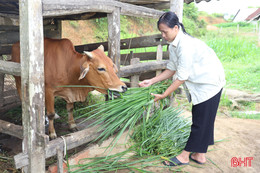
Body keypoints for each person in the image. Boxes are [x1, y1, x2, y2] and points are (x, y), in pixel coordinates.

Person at [139, 11, 226, 166]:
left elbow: (181, 77)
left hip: (210, 83)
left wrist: (164, 94)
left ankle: (184, 157)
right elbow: (171, 69)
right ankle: (199, 155)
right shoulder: (173, 45)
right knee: (204, 119)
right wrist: (151, 81)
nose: (163, 35)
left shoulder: (185, 45)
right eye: (161, 32)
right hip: (202, 82)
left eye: (165, 31)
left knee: (200, 121)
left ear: (176, 28)